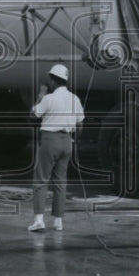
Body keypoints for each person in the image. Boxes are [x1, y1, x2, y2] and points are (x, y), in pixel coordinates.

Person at [28, 64, 84, 233]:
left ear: (52, 80)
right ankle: (58, 221)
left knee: (41, 180)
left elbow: (32, 115)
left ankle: (39, 221)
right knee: (60, 182)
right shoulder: (75, 99)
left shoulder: (49, 98)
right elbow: (80, 124)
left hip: (49, 141)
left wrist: (40, 95)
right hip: (67, 142)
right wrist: (74, 139)